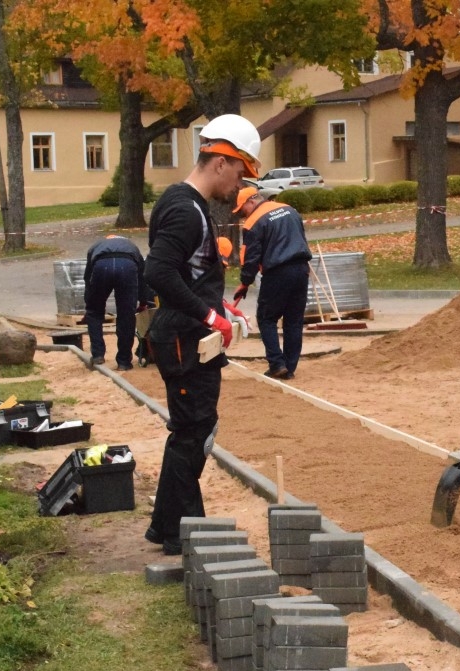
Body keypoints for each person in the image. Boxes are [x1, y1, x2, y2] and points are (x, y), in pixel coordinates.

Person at [141, 113, 261, 556]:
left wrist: (222, 307)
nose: (241, 184)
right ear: (220, 162)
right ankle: (181, 532)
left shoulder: (188, 205)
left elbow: (189, 276)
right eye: (241, 172)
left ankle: (174, 527)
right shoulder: (185, 209)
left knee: (195, 429)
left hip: (191, 336)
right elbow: (158, 272)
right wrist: (210, 319)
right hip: (184, 340)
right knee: (194, 432)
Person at [231, 186, 312, 379]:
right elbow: (301, 238)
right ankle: (289, 367)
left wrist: (245, 283)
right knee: (294, 321)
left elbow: (251, 257)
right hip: (301, 269)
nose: (243, 214)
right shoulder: (290, 210)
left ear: (251, 201)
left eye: (243, 209)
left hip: (277, 272)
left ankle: (276, 364)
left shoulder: (253, 223)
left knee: (266, 318)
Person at [83, 234, 145, 370]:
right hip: (127, 266)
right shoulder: (132, 246)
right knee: (126, 316)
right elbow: (142, 277)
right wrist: (144, 301)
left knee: (94, 313)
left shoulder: (96, 245)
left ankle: (98, 355)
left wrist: (89, 303)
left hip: (101, 266)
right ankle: (123, 361)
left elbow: (88, 277)